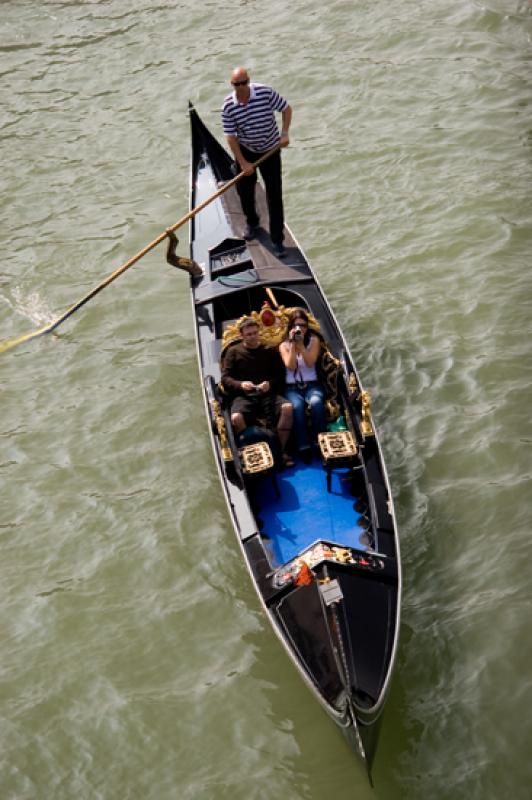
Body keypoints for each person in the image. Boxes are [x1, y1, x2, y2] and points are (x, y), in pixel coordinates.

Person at [221, 66, 292, 259]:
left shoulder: (264, 92)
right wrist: (243, 162)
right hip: (245, 151)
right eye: (237, 84)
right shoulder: (228, 105)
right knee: (245, 191)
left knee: (274, 196)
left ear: (249, 81)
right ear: (232, 84)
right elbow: (231, 137)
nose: (241, 87)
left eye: (244, 83)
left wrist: (284, 133)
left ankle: (277, 240)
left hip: (270, 150)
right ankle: (252, 222)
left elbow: (286, 109)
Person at [222, 317, 294, 466]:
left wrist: (269, 384)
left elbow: (280, 376)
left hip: (268, 394)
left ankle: (280, 450)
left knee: (287, 408)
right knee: (236, 418)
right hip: (244, 396)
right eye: (249, 334)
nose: (253, 336)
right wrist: (241, 385)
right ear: (242, 336)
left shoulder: (270, 351)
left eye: (255, 333)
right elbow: (226, 378)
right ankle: (253, 453)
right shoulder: (233, 352)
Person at [279, 308, 327, 462]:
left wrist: (302, 346)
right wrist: (294, 345)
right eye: (296, 325)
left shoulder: (313, 341)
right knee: (297, 407)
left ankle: (319, 441)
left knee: (316, 402)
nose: (300, 329)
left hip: (312, 385)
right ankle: (303, 446)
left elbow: (310, 361)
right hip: (292, 388)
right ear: (291, 327)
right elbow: (291, 366)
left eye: (303, 325)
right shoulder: (284, 345)